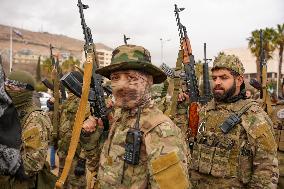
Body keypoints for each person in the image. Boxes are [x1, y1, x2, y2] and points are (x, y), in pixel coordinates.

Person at [81, 44, 190, 189]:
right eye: (115, 78)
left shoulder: (161, 131)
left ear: (149, 80)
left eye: (131, 77)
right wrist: (90, 137)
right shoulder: (120, 119)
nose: (121, 85)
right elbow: (103, 170)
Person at [188, 53, 279, 188]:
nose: (217, 82)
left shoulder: (253, 115)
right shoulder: (204, 111)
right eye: (214, 78)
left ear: (239, 80)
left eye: (224, 78)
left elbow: (266, 169)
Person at [5, 70, 52, 188]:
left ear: (24, 91)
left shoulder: (36, 118)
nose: (6, 90)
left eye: (11, 87)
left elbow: (33, 163)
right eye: (6, 86)